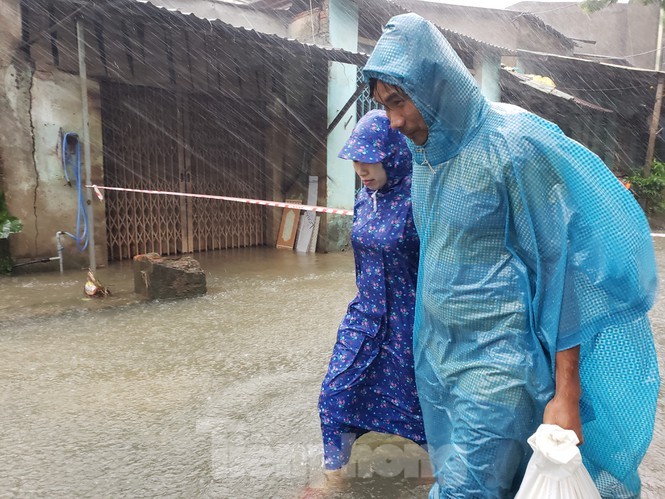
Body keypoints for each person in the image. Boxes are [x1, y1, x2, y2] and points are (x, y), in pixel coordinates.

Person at [363, 13, 660, 499]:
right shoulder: (427, 158)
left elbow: (565, 269)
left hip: (501, 367)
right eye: (384, 106)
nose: (393, 121)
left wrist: (567, 392)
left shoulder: (512, 145)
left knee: (464, 491)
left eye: (398, 102)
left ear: (436, 83)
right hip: (444, 361)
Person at [318, 109, 427, 485]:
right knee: (336, 394)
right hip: (365, 317)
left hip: (409, 323)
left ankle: (437, 484)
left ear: (393, 154)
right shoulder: (365, 199)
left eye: (370, 160)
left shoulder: (421, 197)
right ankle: (334, 479)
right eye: (356, 162)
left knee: (421, 414)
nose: (362, 170)